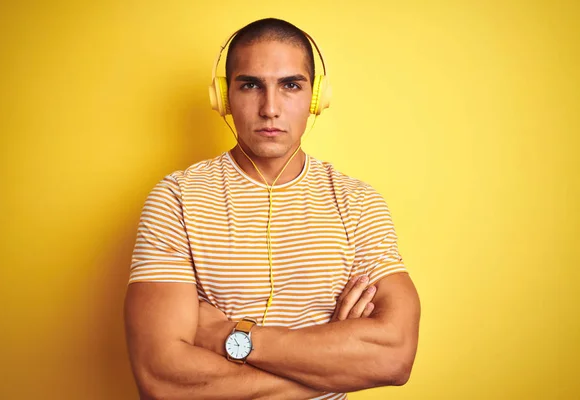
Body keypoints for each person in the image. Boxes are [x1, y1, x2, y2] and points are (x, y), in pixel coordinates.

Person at [124, 18, 421, 400]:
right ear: (224, 97)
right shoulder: (176, 199)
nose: (270, 108)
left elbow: (394, 358)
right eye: (250, 85)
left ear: (316, 99)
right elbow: (162, 380)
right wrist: (338, 365)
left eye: (291, 85)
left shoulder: (357, 202)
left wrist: (231, 336)